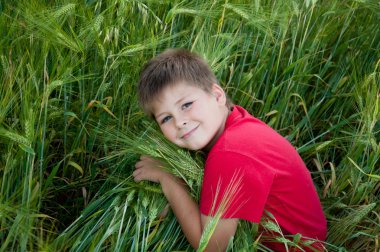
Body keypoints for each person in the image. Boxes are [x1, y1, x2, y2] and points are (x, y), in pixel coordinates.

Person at [133, 48, 327, 251]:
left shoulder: (230, 153)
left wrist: (168, 180)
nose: (180, 122)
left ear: (217, 96)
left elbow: (210, 247)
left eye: (186, 105)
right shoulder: (237, 123)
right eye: (166, 118)